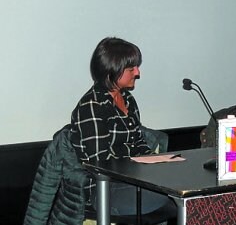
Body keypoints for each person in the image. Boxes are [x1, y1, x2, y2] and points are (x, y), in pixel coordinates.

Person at [70, 37, 173, 215]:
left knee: (180, 188)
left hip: (134, 182)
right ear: (112, 71)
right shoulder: (91, 106)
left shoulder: (127, 99)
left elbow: (139, 144)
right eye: (131, 69)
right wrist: (140, 170)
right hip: (105, 190)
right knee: (172, 196)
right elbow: (100, 164)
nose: (138, 73)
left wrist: (161, 163)